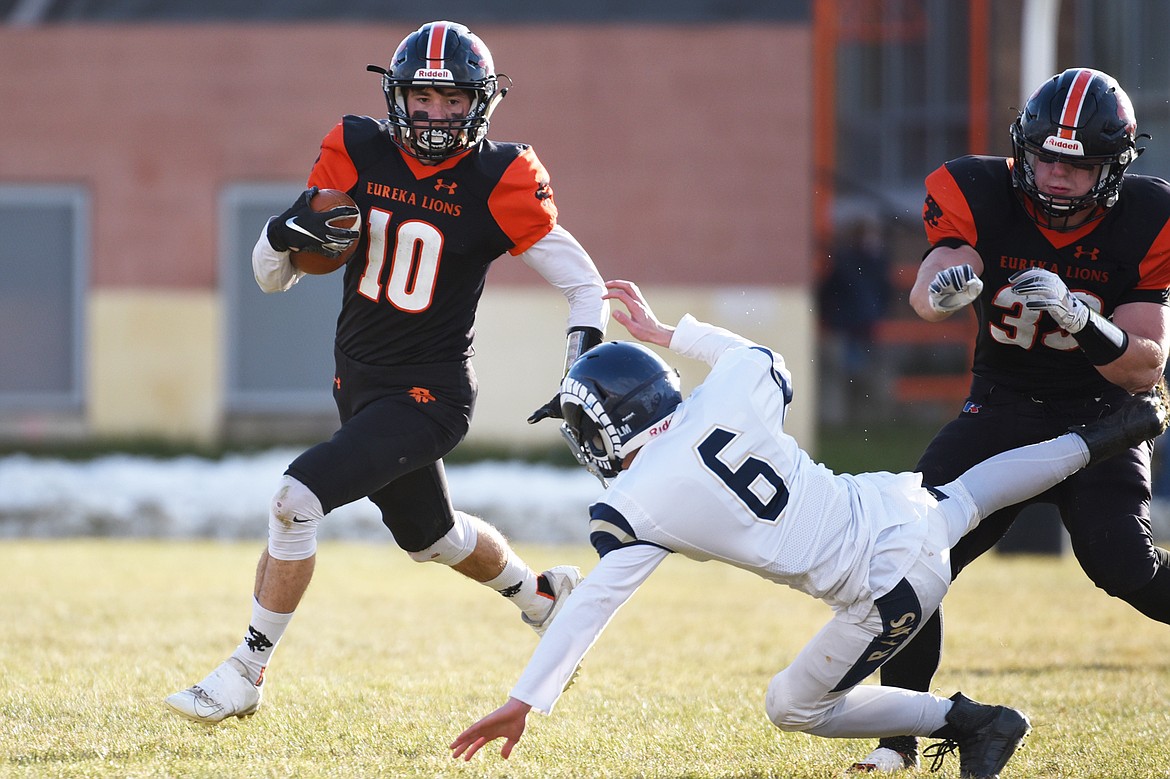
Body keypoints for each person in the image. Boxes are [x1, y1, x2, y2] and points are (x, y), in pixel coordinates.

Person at [448, 279, 1169, 779]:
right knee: (970, 495)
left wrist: (525, 699)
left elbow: (596, 601)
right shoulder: (726, 395)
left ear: (607, 423)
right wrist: (672, 331)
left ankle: (972, 719)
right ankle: (1117, 429)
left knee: (792, 705)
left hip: (887, 585)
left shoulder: (638, 500)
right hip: (897, 506)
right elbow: (759, 358)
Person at [165, 20, 608, 723]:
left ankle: (246, 669)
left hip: (431, 394)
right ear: (397, 96)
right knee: (433, 536)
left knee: (295, 498)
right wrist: (283, 230)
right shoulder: (356, 149)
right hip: (358, 382)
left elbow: (587, 286)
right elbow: (269, 275)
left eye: (453, 100)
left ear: (481, 103)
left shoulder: (501, 177)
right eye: (423, 98)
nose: (436, 115)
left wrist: (582, 370)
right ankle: (545, 597)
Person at [851, 67, 1170, 773]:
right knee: (913, 548)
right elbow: (934, 281)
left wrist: (1080, 319)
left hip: (1102, 418)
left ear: (1112, 167)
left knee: (1124, 562)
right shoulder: (978, 189)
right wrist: (944, 288)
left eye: (1077, 164)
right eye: (1046, 158)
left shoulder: (1149, 215)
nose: (1056, 177)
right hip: (1001, 405)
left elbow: (1144, 365)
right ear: (1022, 150)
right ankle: (898, 737)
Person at [817, 215, 894, 422]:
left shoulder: (848, 260)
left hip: (853, 327)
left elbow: (827, 292)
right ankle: (864, 420)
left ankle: (846, 420)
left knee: (847, 378)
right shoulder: (872, 262)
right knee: (854, 378)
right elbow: (883, 293)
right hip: (856, 327)